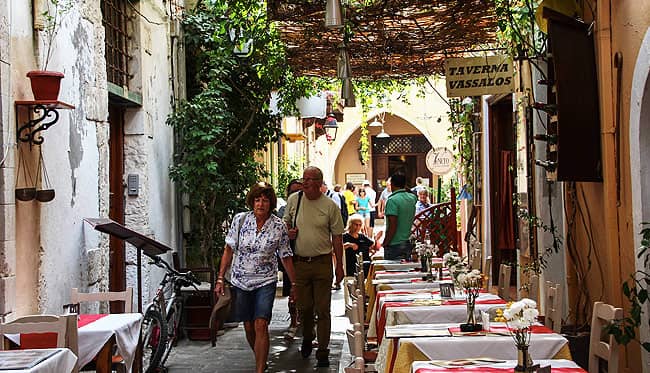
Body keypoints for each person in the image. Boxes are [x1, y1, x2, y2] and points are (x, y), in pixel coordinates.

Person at [215, 182, 297, 373]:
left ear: (271, 203)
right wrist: (220, 278)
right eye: (257, 200)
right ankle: (260, 357)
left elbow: (286, 256)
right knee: (249, 326)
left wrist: (294, 284)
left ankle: (260, 369)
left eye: (265, 200)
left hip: (265, 281)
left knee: (261, 323)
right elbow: (228, 249)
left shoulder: (278, 226)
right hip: (241, 280)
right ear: (252, 202)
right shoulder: (240, 220)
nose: (261, 204)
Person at [283, 166, 344, 368]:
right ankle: (308, 337)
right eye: (304, 178)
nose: (306, 182)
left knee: (323, 309)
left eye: (310, 179)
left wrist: (340, 267)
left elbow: (337, 237)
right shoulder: (295, 200)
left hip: (322, 263)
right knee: (305, 308)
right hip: (300, 263)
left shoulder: (329, 206)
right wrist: (289, 232)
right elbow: (284, 225)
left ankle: (323, 350)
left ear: (319, 182)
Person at [277, 178, 303, 339]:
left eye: (299, 191)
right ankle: (293, 321)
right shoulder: (282, 211)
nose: (296, 194)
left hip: (307, 255)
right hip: (289, 256)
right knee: (292, 292)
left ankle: (305, 320)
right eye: (292, 191)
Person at [382, 173, 417, 260]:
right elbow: (412, 193)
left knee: (392, 271)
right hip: (407, 241)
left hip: (394, 243)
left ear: (392, 184)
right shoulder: (412, 198)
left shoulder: (392, 200)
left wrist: (386, 242)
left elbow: (392, 225)